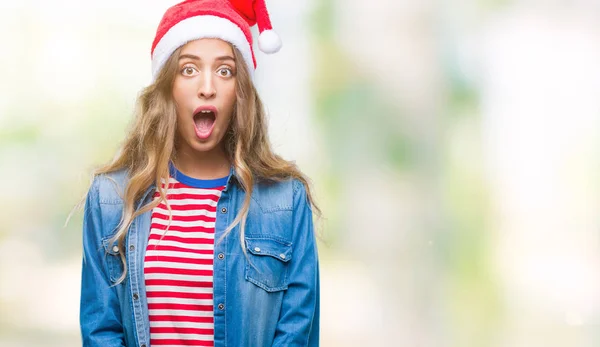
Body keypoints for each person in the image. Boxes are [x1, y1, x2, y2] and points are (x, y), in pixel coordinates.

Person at [79, 0, 320, 346]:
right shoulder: (110, 199)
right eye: (189, 70)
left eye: (225, 71)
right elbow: (101, 330)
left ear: (240, 93)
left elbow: (298, 333)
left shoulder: (285, 200)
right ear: (167, 88)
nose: (207, 87)